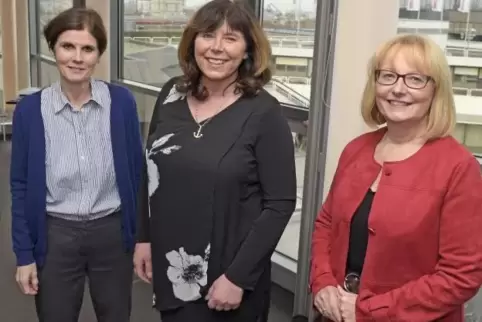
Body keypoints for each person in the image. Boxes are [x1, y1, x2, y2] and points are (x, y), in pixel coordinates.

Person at [133, 1, 297, 321]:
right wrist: (144, 238)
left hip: (230, 277)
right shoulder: (170, 95)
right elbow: (150, 172)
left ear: (248, 49)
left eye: (231, 38)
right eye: (208, 35)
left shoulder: (264, 112)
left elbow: (280, 203)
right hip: (174, 268)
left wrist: (238, 277)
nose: (217, 48)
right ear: (193, 41)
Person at [310, 33, 482, 322]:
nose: (398, 89)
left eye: (415, 79)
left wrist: (368, 311)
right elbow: (326, 224)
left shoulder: (458, 167)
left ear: (435, 90)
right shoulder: (357, 150)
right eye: (388, 76)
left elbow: (461, 275)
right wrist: (322, 282)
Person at [10, 7, 142, 322]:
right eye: (68, 46)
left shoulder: (121, 103)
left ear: (98, 55)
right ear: (53, 49)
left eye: (87, 49)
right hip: (55, 236)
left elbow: (138, 175)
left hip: (112, 233)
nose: (77, 57)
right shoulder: (30, 111)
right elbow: (20, 186)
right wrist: (24, 255)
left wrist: (141, 239)